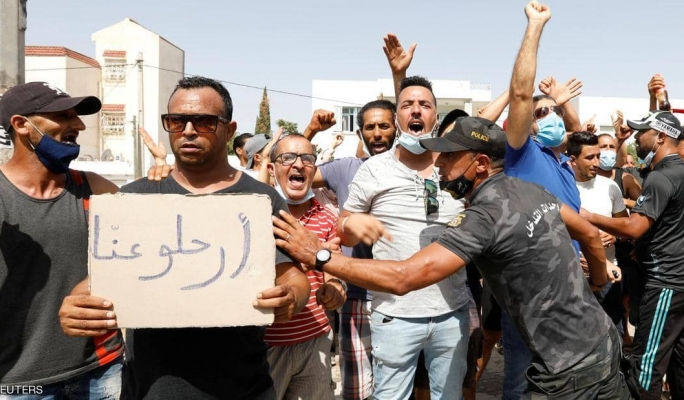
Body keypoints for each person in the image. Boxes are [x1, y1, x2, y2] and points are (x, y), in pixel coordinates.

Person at [273, 114, 630, 399]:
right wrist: (597, 282)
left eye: (449, 155)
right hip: (602, 340)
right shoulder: (530, 189)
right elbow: (588, 234)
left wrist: (319, 254)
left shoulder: (483, 216)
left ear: (480, 164)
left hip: (566, 370)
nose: (439, 162)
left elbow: (404, 277)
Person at [59, 76, 311, 400]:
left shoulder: (261, 199)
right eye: (177, 121)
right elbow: (101, 280)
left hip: (243, 388)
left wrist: (291, 298)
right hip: (152, 389)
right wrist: (77, 306)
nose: (188, 130)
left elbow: (292, 276)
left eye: (204, 121)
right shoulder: (135, 197)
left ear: (230, 130)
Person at [337, 75, 470, 400]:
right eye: (407, 105)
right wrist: (352, 225)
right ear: (397, 118)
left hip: (452, 314)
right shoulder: (373, 169)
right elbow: (343, 230)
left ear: (436, 117)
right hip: (394, 315)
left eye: (425, 105)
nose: (416, 110)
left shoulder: (456, 167)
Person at [0, 82, 123, 397]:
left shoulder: (95, 188)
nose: (79, 125)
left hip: (102, 370)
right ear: (21, 125)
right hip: (18, 384)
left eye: (77, 116)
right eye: (64, 115)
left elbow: (149, 250)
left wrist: (161, 182)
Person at [503, 3, 587, 397]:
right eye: (542, 113)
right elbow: (521, 93)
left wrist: (563, 103)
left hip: (571, 289)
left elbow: (579, 132)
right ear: (530, 123)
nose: (550, 116)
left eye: (553, 111)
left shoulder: (566, 163)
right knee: (521, 383)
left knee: (568, 381)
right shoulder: (523, 154)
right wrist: (535, 26)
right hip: (531, 293)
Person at [582, 109, 684, 400]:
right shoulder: (679, 171)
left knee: (645, 369)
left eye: (643, 133)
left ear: (661, 137)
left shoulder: (661, 177)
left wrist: (587, 216)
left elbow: (635, 227)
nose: (638, 138)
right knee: (679, 363)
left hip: (665, 284)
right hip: (678, 282)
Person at [305, 101, 397, 400]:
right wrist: (311, 131)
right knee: (357, 390)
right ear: (360, 133)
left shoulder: (411, 171)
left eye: (384, 125)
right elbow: (294, 172)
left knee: (396, 386)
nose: (377, 133)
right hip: (356, 296)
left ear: (396, 129)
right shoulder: (345, 168)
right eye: (370, 127)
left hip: (400, 296)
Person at [263, 133, 346, 400]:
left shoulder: (327, 218)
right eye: (288, 157)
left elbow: (334, 270)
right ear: (272, 168)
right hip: (266, 345)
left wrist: (335, 287)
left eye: (307, 158)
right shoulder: (257, 214)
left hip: (316, 340)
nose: (298, 164)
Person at [567, 132, 628, 329]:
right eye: (589, 157)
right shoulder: (561, 188)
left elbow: (624, 227)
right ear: (573, 160)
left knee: (613, 334)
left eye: (598, 156)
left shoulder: (610, 187)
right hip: (573, 277)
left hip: (608, 277)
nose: (596, 162)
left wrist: (615, 236)